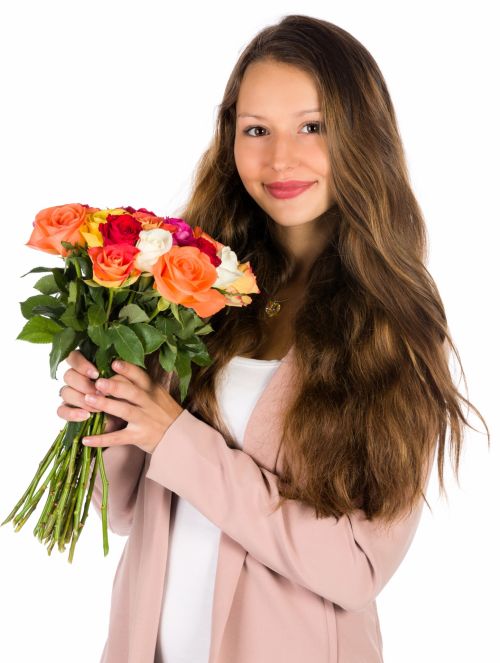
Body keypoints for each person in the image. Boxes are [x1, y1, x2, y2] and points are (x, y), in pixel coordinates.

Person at [57, 14, 488, 663]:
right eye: (256, 129)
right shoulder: (196, 283)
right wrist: (112, 410)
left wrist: (175, 435)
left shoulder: (394, 325)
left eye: (311, 126)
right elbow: (129, 511)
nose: (280, 157)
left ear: (359, 135)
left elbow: (353, 566)